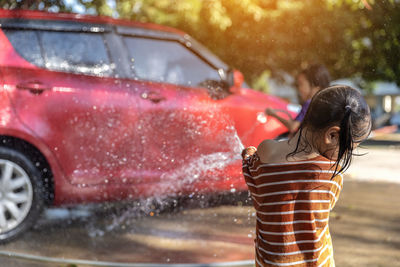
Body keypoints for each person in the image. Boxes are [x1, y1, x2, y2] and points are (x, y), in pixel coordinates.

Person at [242, 85, 371, 266]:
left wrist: (248, 153)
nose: (343, 157)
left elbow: (250, 171)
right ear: (332, 135)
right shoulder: (332, 174)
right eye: (347, 150)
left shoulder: (266, 152)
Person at [265, 64, 331, 135]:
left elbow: (293, 126)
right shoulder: (328, 104)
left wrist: (273, 114)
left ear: (315, 85)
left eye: (301, 84)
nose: (299, 89)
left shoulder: (309, 103)